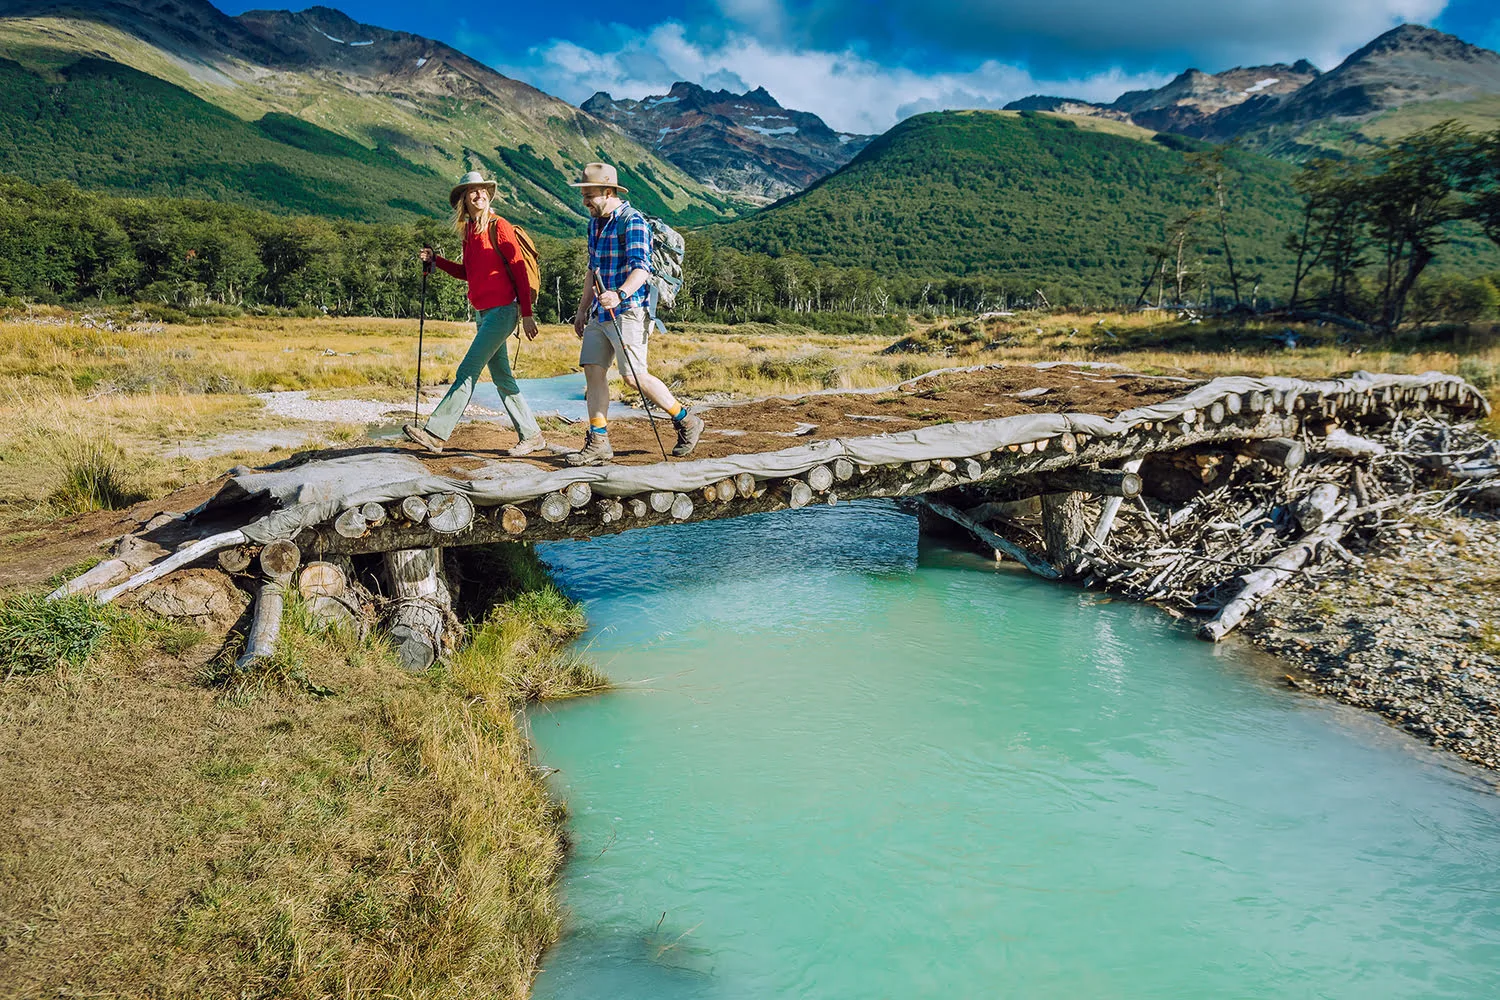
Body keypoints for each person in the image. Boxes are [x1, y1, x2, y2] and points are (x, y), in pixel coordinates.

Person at [564, 162, 704, 466]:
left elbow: (643, 269)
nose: (585, 201)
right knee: (593, 370)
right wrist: (582, 309)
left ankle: (686, 420)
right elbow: (592, 269)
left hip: (629, 310)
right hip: (600, 312)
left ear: (609, 191)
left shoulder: (632, 222)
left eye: (590, 195)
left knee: (633, 377)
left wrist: (619, 294)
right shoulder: (594, 224)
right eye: (583, 195)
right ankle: (598, 441)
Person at [403, 170, 545, 456]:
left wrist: (527, 313)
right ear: (464, 201)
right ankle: (532, 435)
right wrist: (436, 261)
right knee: (503, 378)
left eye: (482, 190)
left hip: (504, 311)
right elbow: (468, 273)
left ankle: (435, 434)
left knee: (467, 371)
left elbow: (518, 268)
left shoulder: (499, 225)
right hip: (483, 313)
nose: (479, 194)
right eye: (472, 191)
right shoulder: (470, 233)